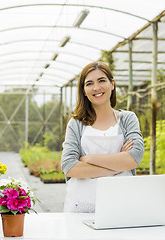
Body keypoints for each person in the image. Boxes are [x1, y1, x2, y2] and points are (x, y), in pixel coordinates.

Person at [61, 61, 144, 213]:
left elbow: (134, 158)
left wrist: (89, 159)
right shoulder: (76, 123)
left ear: (112, 84)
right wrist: (119, 164)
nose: (96, 88)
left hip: (123, 204)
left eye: (101, 80)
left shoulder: (128, 119)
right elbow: (69, 166)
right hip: (82, 206)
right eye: (89, 83)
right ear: (84, 90)